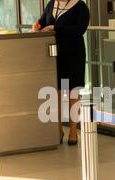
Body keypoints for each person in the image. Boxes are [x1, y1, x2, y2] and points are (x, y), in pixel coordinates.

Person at [33, 0, 90, 146]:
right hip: (54, 54)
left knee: (72, 93)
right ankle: (58, 130)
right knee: (56, 92)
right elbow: (42, 22)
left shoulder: (80, 6)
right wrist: (37, 26)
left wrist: (56, 27)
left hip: (73, 54)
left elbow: (79, 30)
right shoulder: (52, 4)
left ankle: (73, 130)